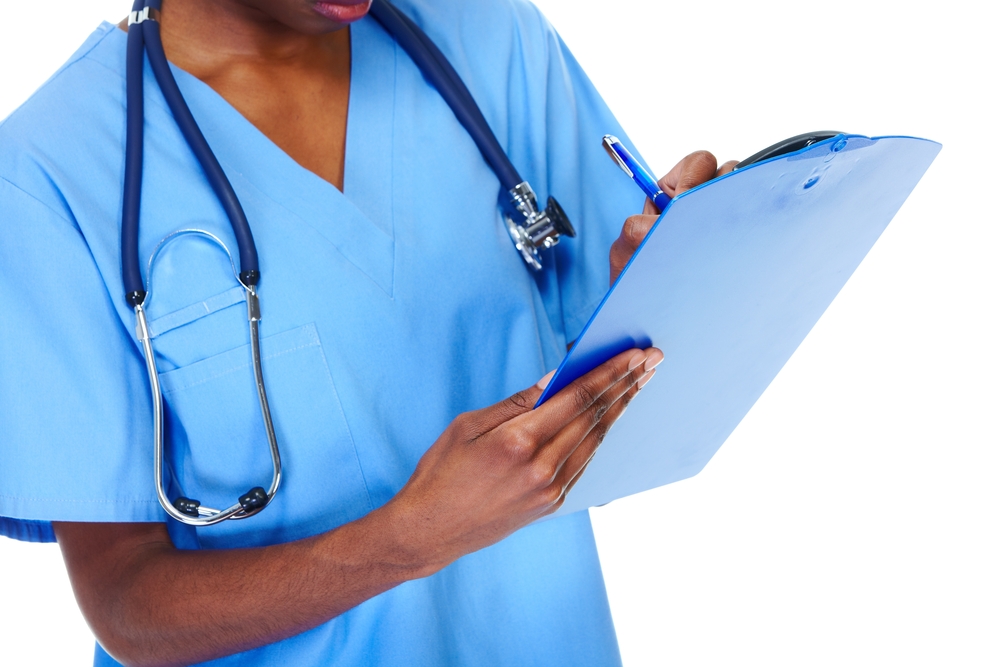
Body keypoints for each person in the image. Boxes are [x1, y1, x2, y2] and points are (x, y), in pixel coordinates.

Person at [0, 0, 733, 664]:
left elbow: (631, 384)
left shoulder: (490, 38)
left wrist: (676, 275)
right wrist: (406, 541)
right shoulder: (49, 170)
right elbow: (127, 607)